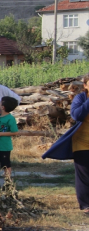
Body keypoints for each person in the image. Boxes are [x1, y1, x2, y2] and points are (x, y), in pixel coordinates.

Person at [42, 74, 89, 216]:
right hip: (82, 142)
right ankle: (86, 205)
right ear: (85, 85)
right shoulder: (81, 98)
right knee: (84, 175)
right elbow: (77, 115)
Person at [0, 96, 20, 188]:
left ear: (3, 107)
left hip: (4, 146)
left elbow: (15, 132)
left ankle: (8, 183)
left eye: (0, 102)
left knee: (5, 165)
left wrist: (0, 134)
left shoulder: (10, 118)